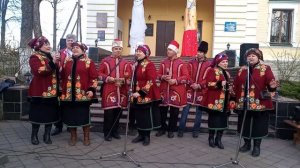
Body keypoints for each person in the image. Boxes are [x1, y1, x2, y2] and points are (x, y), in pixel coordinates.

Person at [234, 48, 279, 157]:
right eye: (249, 56)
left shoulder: (265, 69)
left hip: (259, 104)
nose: (251, 57)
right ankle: (247, 144)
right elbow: (235, 84)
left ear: (259, 57)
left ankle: (257, 146)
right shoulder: (242, 69)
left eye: (253, 55)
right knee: (245, 124)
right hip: (244, 103)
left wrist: (272, 87)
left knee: (258, 126)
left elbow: (271, 84)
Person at [60, 42, 98, 146]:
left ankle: (86, 137)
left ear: (83, 49)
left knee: (84, 116)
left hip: (82, 95)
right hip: (69, 95)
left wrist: (91, 89)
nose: (75, 49)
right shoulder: (67, 61)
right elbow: (62, 76)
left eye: (77, 47)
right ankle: (73, 136)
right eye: (73, 48)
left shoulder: (89, 62)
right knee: (71, 116)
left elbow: (94, 77)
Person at [27, 36, 59, 145]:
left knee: (50, 114)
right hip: (39, 91)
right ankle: (34, 135)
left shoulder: (49, 57)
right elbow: (39, 71)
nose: (49, 46)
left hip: (52, 91)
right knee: (37, 114)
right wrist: (53, 62)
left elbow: (55, 72)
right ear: (38, 46)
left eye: (49, 44)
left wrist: (57, 64)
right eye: (46, 44)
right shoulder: (34, 57)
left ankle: (47, 135)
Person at [98, 39, 132, 141]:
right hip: (109, 89)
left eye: (120, 49)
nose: (118, 50)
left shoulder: (126, 63)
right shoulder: (105, 61)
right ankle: (107, 133)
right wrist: (109, 79)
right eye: (116, 48)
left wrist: (123, 80)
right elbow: (99, 74)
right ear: (112, 49)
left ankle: (115, 131)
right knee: (109, 113)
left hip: (121, 91)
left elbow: (129, 75)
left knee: (118, 112)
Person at [178, 41, 211, 138]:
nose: (199, 53)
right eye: (198, 51)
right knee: (185, 110)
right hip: (190, 89)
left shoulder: (209, 65)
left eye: (201, 52)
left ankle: (196, 130)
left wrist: (200, 85)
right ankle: (181, 129)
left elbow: (208, 78)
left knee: (199, 112)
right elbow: (187, 74)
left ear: (205, 53)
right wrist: (192, 84)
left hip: (201, 91)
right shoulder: (191, 62)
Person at [157, 40, 189, 138]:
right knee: (162, 111)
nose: (168, 51)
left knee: (174, 112)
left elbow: (186, 76)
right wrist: (162, 77)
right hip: (164, 91)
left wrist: (175, 80)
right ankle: (162, 128)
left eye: (170, 50)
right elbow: (158, 75)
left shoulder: (181, 63)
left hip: (176, 91)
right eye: (168, 50)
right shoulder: (163, 62)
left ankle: (171, 130)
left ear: (175, 51)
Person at [203, 53, 235, 149]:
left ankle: (219, 139)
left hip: (225, 101)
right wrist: (220, 83)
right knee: (213, 120)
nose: (226, 63)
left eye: (226, 61)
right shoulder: (212, 71)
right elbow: (208, 84)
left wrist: (231, 89)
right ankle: (211, 138)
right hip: (215, 101)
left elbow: (229, 85)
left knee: (223, 120)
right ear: (218, 62)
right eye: (223, 62)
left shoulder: (227, 73)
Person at [130, 44, 161, 146]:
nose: (138, 53)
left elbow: (151, 81)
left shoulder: (149, 64)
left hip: (145, 95)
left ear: (145, 54)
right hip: (134, 94)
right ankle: (140, 134)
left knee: (145, 116)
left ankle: (146, 136)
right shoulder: (135, 64)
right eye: (137, 51)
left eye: (140, 51)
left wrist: (140, 93)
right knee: (138, 115)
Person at [52, 34, 77, 136]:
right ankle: (58, 126)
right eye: (69, 40)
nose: (70, 42)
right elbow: (55, 66)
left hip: (74, 84)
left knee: (70, 106)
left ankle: (70, 125)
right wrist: (56, 61)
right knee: (59, 105)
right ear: (66, 42)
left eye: (72, 40)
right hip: (61, 83)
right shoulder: (60, 53)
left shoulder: (78, 53)